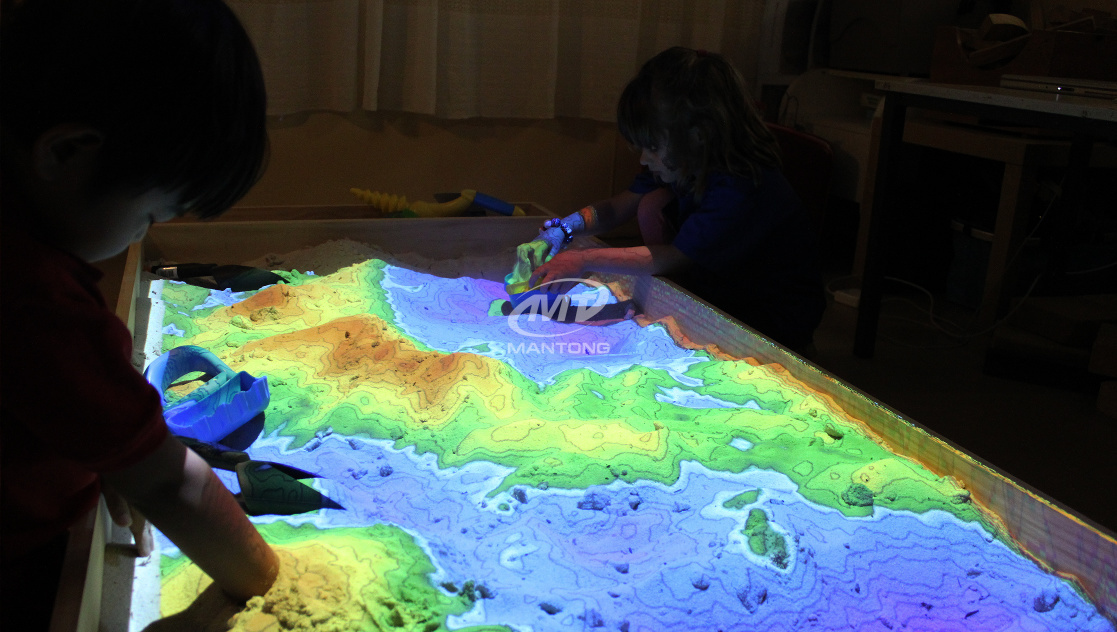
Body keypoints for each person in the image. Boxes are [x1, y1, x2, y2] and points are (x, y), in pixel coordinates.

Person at [0, 0, 279, 627]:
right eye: (151, 216)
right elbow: (168, 483)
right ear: (67, 154)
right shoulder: (37, 303)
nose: (144, 234)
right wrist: (266, 579)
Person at [529, 47, 825, 353]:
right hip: (718, 287)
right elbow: (619, 206)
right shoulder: (686, 158)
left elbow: (674, 256)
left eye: (653, 146)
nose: (644, 159)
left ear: (699, 134)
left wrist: (583, 258)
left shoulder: (744, 185)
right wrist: (565, 228)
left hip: (769, 322)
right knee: (651, 202)